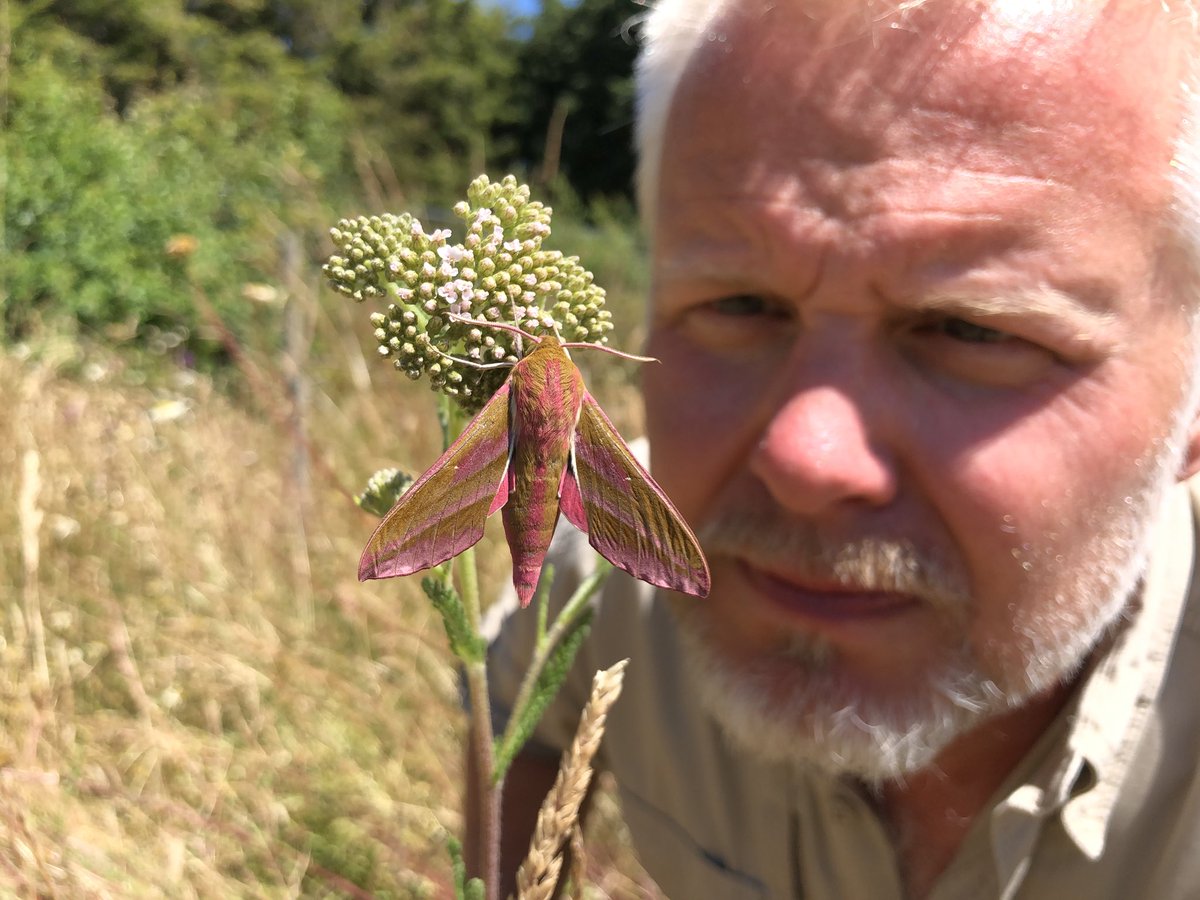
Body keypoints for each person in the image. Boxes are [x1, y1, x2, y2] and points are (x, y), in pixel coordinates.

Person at [473, 1, 1200, 897]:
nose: (807, 460)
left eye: (969, 328)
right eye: (741, 306)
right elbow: (508, 709)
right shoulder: (603, 561)